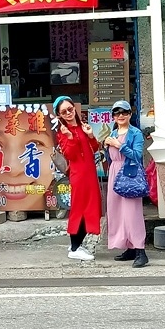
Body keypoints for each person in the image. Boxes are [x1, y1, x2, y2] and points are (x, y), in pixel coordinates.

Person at [54, 95, 102, 261]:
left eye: (70, 109)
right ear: (59, 115)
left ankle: (76, 244)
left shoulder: (83, 126)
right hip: (79, 175)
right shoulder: (63, 132)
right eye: (64, 111)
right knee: (80, 209)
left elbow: (95, 149)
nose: (68, 113)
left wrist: (90, 135)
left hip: (90, 173)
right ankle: (74, 248)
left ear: (74, 108)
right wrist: (69, 137)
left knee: (91, 207)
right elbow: (70, 155)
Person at [104, 100, 148, 268]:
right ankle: (128, 247)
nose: (120, 116)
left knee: (132, 213)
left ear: (130, 114)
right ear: (113, 116)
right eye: (116, 113)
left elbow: (137, 155)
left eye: (124, 112)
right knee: (117, 212)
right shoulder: (113, 132)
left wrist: (118, 145)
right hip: (115, 173)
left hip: (130, 174)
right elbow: (110, 157)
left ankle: (140, 251)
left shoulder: (135, 133)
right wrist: (106, 145)